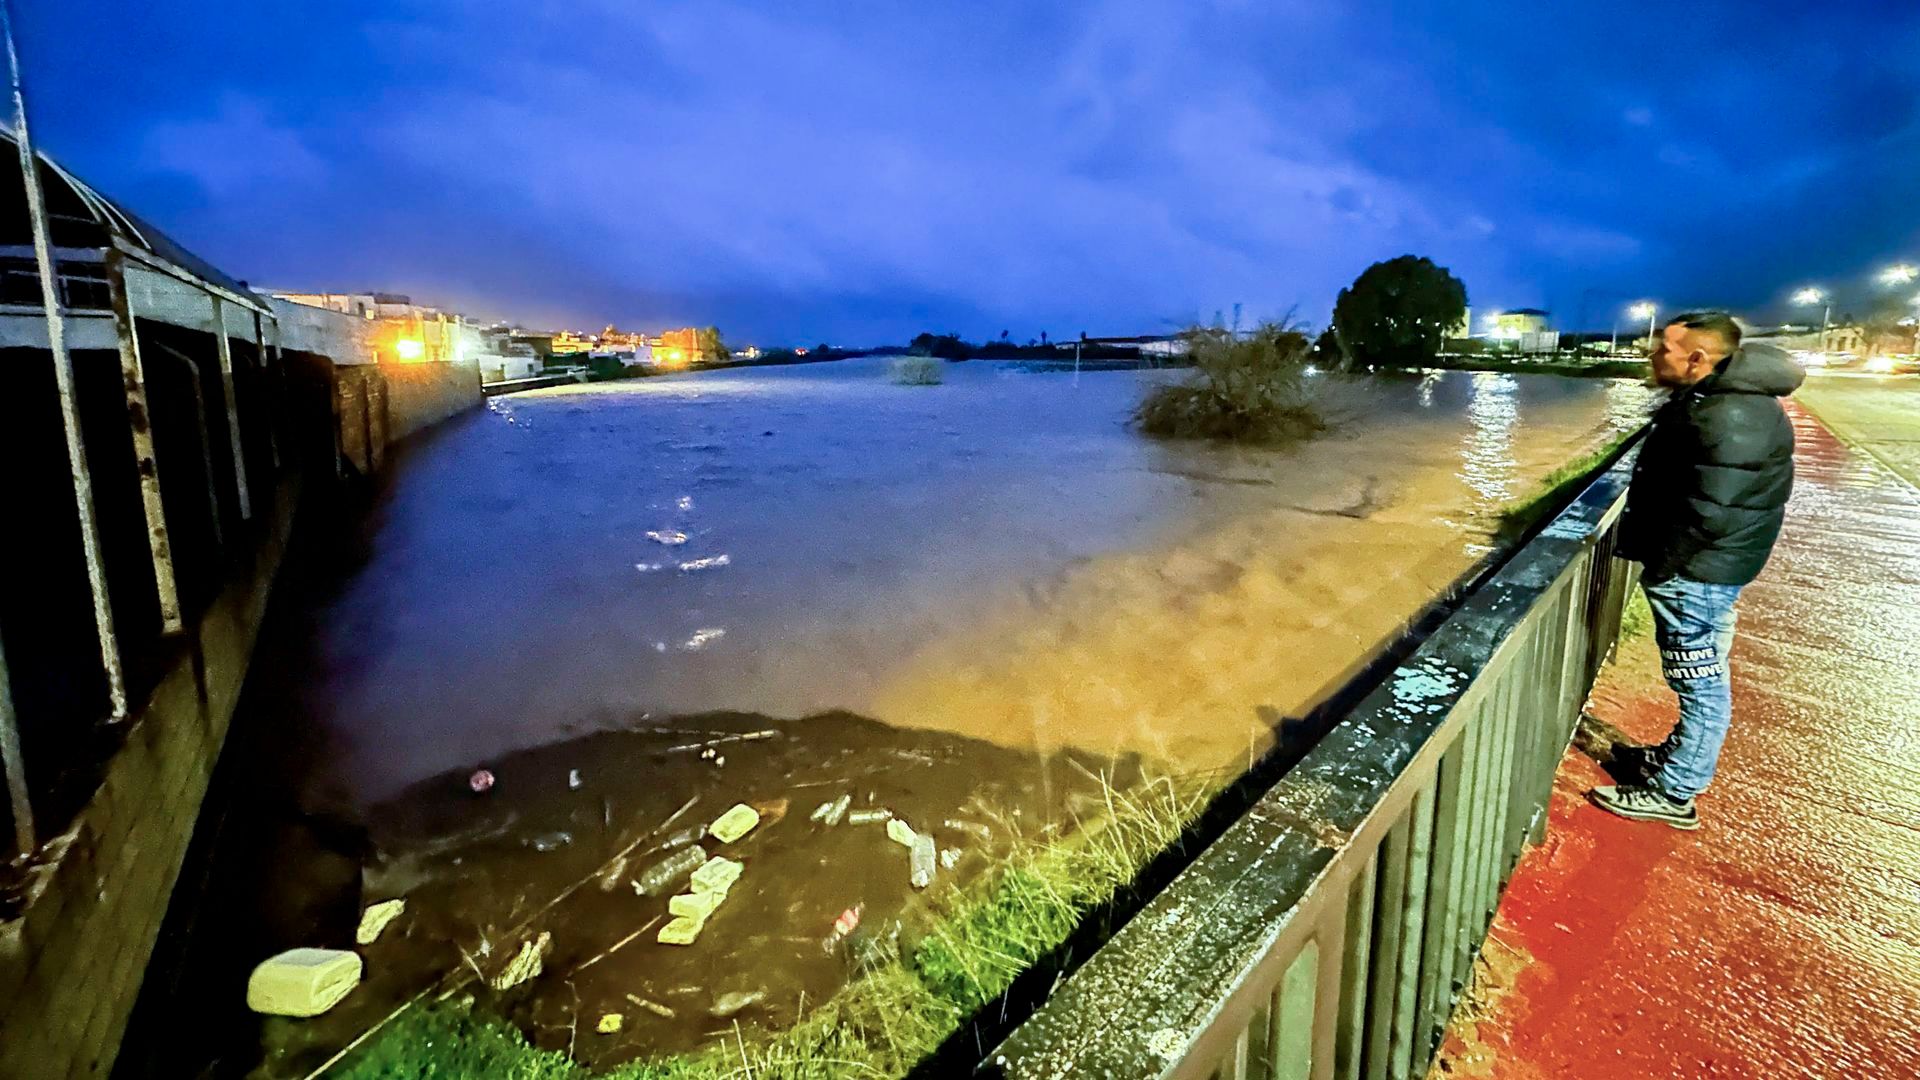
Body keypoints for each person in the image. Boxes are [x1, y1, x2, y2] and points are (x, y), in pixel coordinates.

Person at [1588, 311, 1803, 830]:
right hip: (1714, 565)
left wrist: (1665, 568)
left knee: (1700, 680)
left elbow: (1709, 509)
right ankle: (1677, 762)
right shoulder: (1728, 401)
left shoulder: (1726, 415)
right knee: (1702, 672)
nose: (1652, 355)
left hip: (1697, 572)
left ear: (1698, 358)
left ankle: (1675, 791)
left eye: (1664, 348)